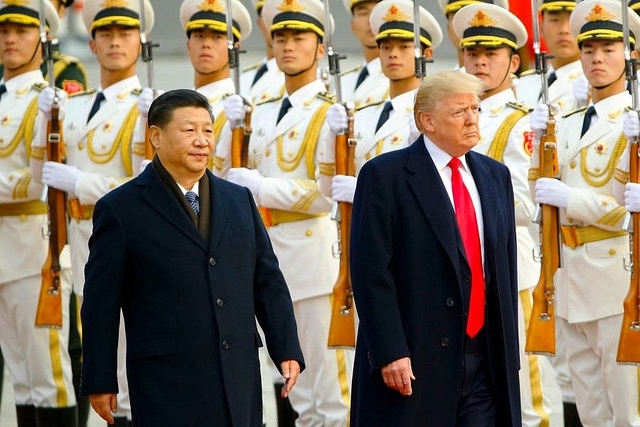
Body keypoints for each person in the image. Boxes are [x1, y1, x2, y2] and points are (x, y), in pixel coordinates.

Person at [79, 88, 304, 426]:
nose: (201, 141)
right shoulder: (121, 209)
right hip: (166, 381)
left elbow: (267, 280)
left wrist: (286, 347)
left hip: (236, 374)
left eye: (208, 131)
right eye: (189, 131)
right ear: (156, 136)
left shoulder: (239, 200)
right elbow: (101, 303)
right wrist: (100, 379)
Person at [349, 70, 521, 426]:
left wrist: (507, 354)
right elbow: (370, 273)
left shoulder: (495, 175)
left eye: (475, 109)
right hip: (415, 356)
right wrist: (390, 350)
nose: (472, 119)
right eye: (460, 112)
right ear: (427, 120)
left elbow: (503, 268)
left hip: (484, 358)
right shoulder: (386, 176)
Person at [219, 0, 353, 425]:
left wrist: (262, 187)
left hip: (310, 258)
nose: (288, 47)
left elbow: (323, 195)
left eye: (300, 38)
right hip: (262, 254)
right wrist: (227, 133)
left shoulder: (328, 111)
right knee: (294, 395)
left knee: (328, 394)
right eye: (280, 38)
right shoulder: (260, 108)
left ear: (320, 48)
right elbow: (228, 174)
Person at [31, 0, 154, 425]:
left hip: (130, 246)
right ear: (93, 42)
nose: (115, 42)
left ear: (142, 42)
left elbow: (148, 189)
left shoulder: (146, 104)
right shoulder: (76, 105)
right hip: (83, 245)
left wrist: (79, 182)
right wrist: (40, 121)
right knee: (100, 359)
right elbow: (42, 172)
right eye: (106, 34)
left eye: (124, 34)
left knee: (129, 361)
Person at [529, 0, 640, 425]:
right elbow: (538, 197)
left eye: (609, 49)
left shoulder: (631, 121)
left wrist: (568, 199)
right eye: (589, 49)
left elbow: (625, 213)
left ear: (629, 54)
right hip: (569, 278)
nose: (596, 59)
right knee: (591, 410)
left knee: (626, 408)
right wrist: (539, 145)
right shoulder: (569, 121)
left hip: (615, 279)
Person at [453, 4, 564, 426]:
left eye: (492, 54)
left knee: (524, 390)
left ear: (514, 62)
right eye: (473, 53)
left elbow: (528, 201)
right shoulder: (450, 117)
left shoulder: (521, 123)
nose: (480, 62)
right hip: (459, 264)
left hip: (505, 264)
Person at [0, 1, 79, 426]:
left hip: (34, 253)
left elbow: (35, 182)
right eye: (4, 30)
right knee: (21, 379)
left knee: (49, 378)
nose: (10, 39)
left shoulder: (45, 101)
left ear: (43, 37)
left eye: (22, 31)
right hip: (2, 253)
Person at [320, 0, 441, 203]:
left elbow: (434, 195)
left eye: (404, 47)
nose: (393, 53)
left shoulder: (434, 116)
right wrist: (332, 137)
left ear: (426, 55)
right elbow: (328, 187)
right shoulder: (364, 114)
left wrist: (364, 190)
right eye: (385, 47)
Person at [516, 0, 584, 117]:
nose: (564, 29)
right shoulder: (524, 82)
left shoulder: (589, 84)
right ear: (541, 27)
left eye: (571, 20)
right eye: (554, 20)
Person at [338, 0, 388, 110]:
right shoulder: (344, 80)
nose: (371, 20)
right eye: (363, 13)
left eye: (378, 12)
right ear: (352, 25)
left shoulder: (401, 77)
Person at [437, 0, 508, 71]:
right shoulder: (442, 81)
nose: (467, 26)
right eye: (458, 18)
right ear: (448, 29)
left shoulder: (514, 82)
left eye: (476, 16)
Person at [239, 0, 285, 105]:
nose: (276, 25)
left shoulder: (300, 76)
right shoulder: (246, 76)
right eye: (269, 17)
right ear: (260, 23)